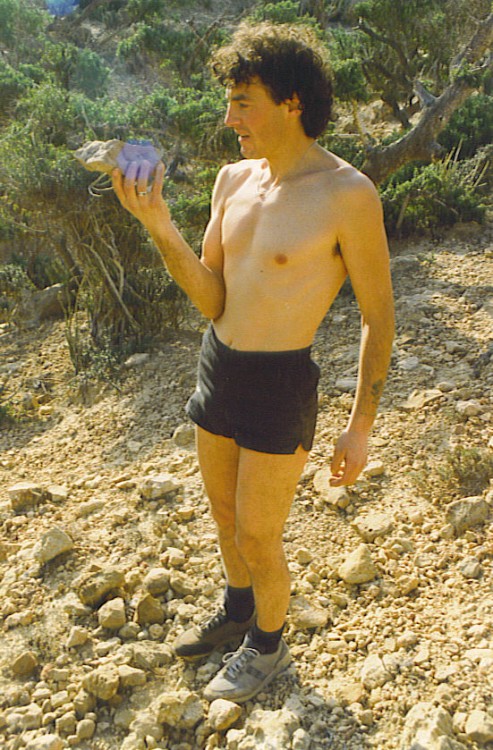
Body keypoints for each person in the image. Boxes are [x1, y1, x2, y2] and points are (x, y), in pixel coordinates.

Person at [112, 22, 395, 704]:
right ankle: (238, 610)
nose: (229, 118)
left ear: (291, 103)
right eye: (229, 102)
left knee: (258, 535)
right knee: (222, 514)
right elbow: (213, 298)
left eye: (243, 102)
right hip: (218, 367)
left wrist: (360, 427)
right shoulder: (232, 180)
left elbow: (378, 317)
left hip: (280, 382)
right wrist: (158, 224)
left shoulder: (346, 193)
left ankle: (268, 646)